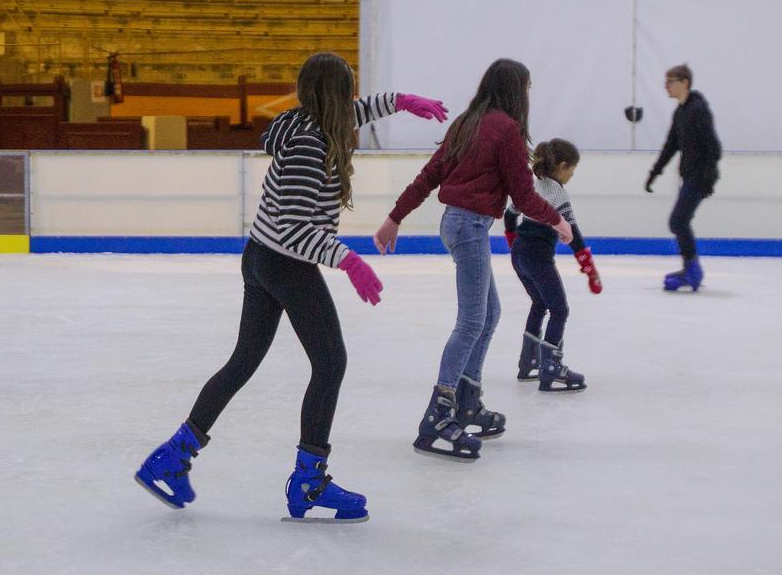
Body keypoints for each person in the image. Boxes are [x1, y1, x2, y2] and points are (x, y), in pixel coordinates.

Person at [134, 52, 448, 522]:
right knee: (331, 363)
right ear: (334, 96)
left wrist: (401, 102)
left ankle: (172, 456)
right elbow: (296, 228)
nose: (354, 102)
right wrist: (350, 260)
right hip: (285, 261)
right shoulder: (309, 144)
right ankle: (308, 480)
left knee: (243, 361)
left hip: (260, 256)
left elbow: (355, 112)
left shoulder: (306, 121)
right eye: (349, 90)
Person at [373, 58, 572, 461]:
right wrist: (558, 222)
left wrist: (395, 217)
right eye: (527, 88)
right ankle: (438, 415)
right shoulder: (507, 130)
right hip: (470, 226)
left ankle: (467, 401)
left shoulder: (466, 122)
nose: (529, 96)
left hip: (458, 224)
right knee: (471, 321)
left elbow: (429, 175)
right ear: (516, 90)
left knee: (490, 313)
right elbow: (524, 196)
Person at [504, 138, 600, 392]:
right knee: (559, 310)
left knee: (540, 303)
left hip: (520, 255)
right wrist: (589, 268)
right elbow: (573, 234)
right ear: (562, 166)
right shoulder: (558, 193)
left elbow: (509, 214)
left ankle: (528, 362)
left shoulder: (532, 186)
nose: (572, 175)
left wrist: (512, 241)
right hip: (537, 258)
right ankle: (550, 368)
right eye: (572, 170)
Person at [645, 64, 721, 292]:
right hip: (689, 175)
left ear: (684, 83)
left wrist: (707, 178)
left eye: (670, 82)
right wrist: (654, 172)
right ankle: (691, 268)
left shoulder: (698, 110)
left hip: (699, 176)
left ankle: (693, 270)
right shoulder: (681, 111)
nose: (666, 86)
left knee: (678, 221)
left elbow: (714, 148)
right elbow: (671, 145)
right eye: (665, 82)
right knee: (680, 220)